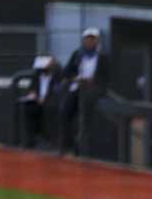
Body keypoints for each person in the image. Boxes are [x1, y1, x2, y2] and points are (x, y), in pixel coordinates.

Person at [59, 27, 110, 156]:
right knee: (65, 112)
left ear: (97, 41)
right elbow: (66, 72)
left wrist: (94, 81)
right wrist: (75, 78)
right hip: (77, 88)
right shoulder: (77, 54)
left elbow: (107, 77)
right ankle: (69, 146)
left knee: (85, 119)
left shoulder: (103, 57)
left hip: (93, 91)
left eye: (92, 39)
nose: (89, 41)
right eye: (87, 39)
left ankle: (83, 148)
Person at [21, 55, 61, 149]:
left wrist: (44, 99)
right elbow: (31, 88)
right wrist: (33, 94)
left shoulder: (57, 75)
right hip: (37, 100)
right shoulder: (37, 75)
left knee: (50, 108)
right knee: (29, 107)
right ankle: (30, 140)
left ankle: (50, 140)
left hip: (51, 101)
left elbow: (57, 91)